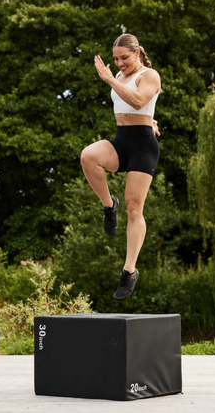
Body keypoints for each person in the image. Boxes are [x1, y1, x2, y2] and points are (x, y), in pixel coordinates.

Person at [80, 33, 161, 301]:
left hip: (143, 147)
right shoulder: (119, 75)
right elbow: (130, 106)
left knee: (134, 207)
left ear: (137, 53)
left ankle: (129, 270)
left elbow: (138, 101)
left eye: (123, 58)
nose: (119, 63)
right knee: (88, 156)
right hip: (122, 140)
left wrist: (110, 79)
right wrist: (150, 117)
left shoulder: (150, 75)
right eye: (115, 59)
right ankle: (108, 205)